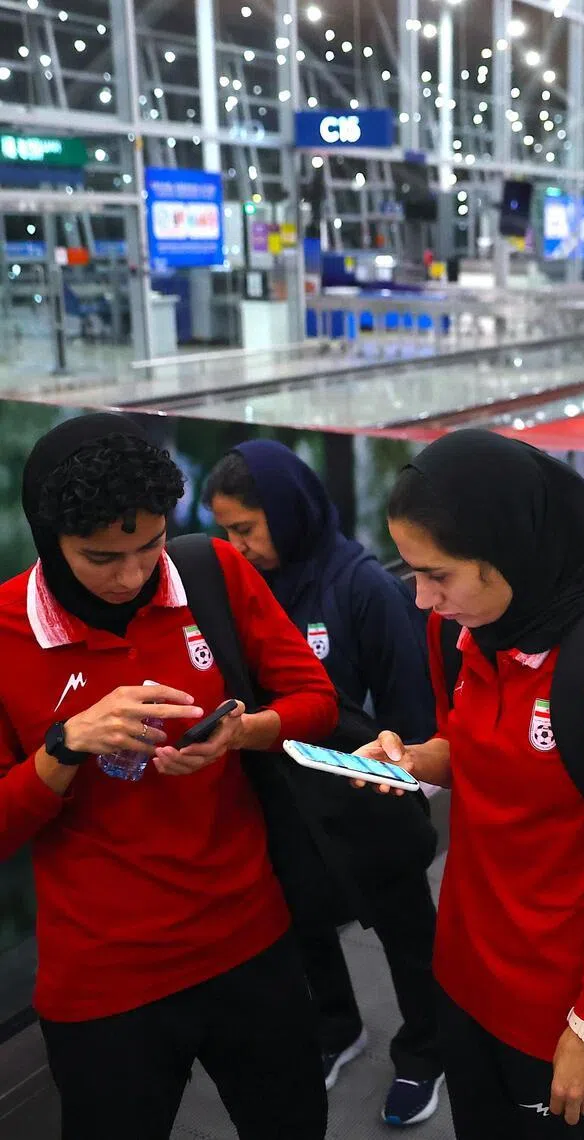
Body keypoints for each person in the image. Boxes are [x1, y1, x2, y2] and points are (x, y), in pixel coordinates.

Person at [0, 413, 338, 1139]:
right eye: (101, 557)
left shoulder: (213, 572)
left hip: (249, 938)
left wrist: (240, 733)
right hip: (105, 980)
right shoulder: (6, 635)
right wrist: (63, 750)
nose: (131, 575)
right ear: (48, 539)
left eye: (150, 546)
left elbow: (316, 702)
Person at [359, 430, 584, 1139]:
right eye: (413, 573)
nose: (421, 600)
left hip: (562, 1008)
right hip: (468, 982)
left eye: (438, 575)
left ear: (507, 552)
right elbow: (464, 747)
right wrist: (412, 760)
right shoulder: (467, 636)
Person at [203, 441, 444, 1127]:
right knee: (302, 925)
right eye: (225, 531)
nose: (236, 546)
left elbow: (411, 707)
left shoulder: (360, 585)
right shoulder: (240, 590)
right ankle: (337, 1026)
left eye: (246, 529)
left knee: (407, 933)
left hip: (368, 796)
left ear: (287, 510)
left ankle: (425, 1051)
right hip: (283, 798)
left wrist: (397, 783)